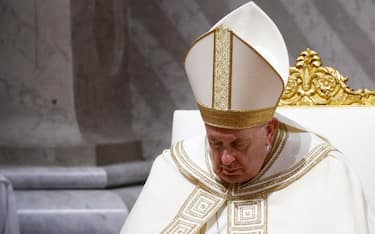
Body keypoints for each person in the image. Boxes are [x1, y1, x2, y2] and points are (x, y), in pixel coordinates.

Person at [120, 2, 371, 233]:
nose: (226, 159)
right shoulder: (175, 168)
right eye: (215, 143)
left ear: (269, 131)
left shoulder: (325, 172)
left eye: (238, 144)